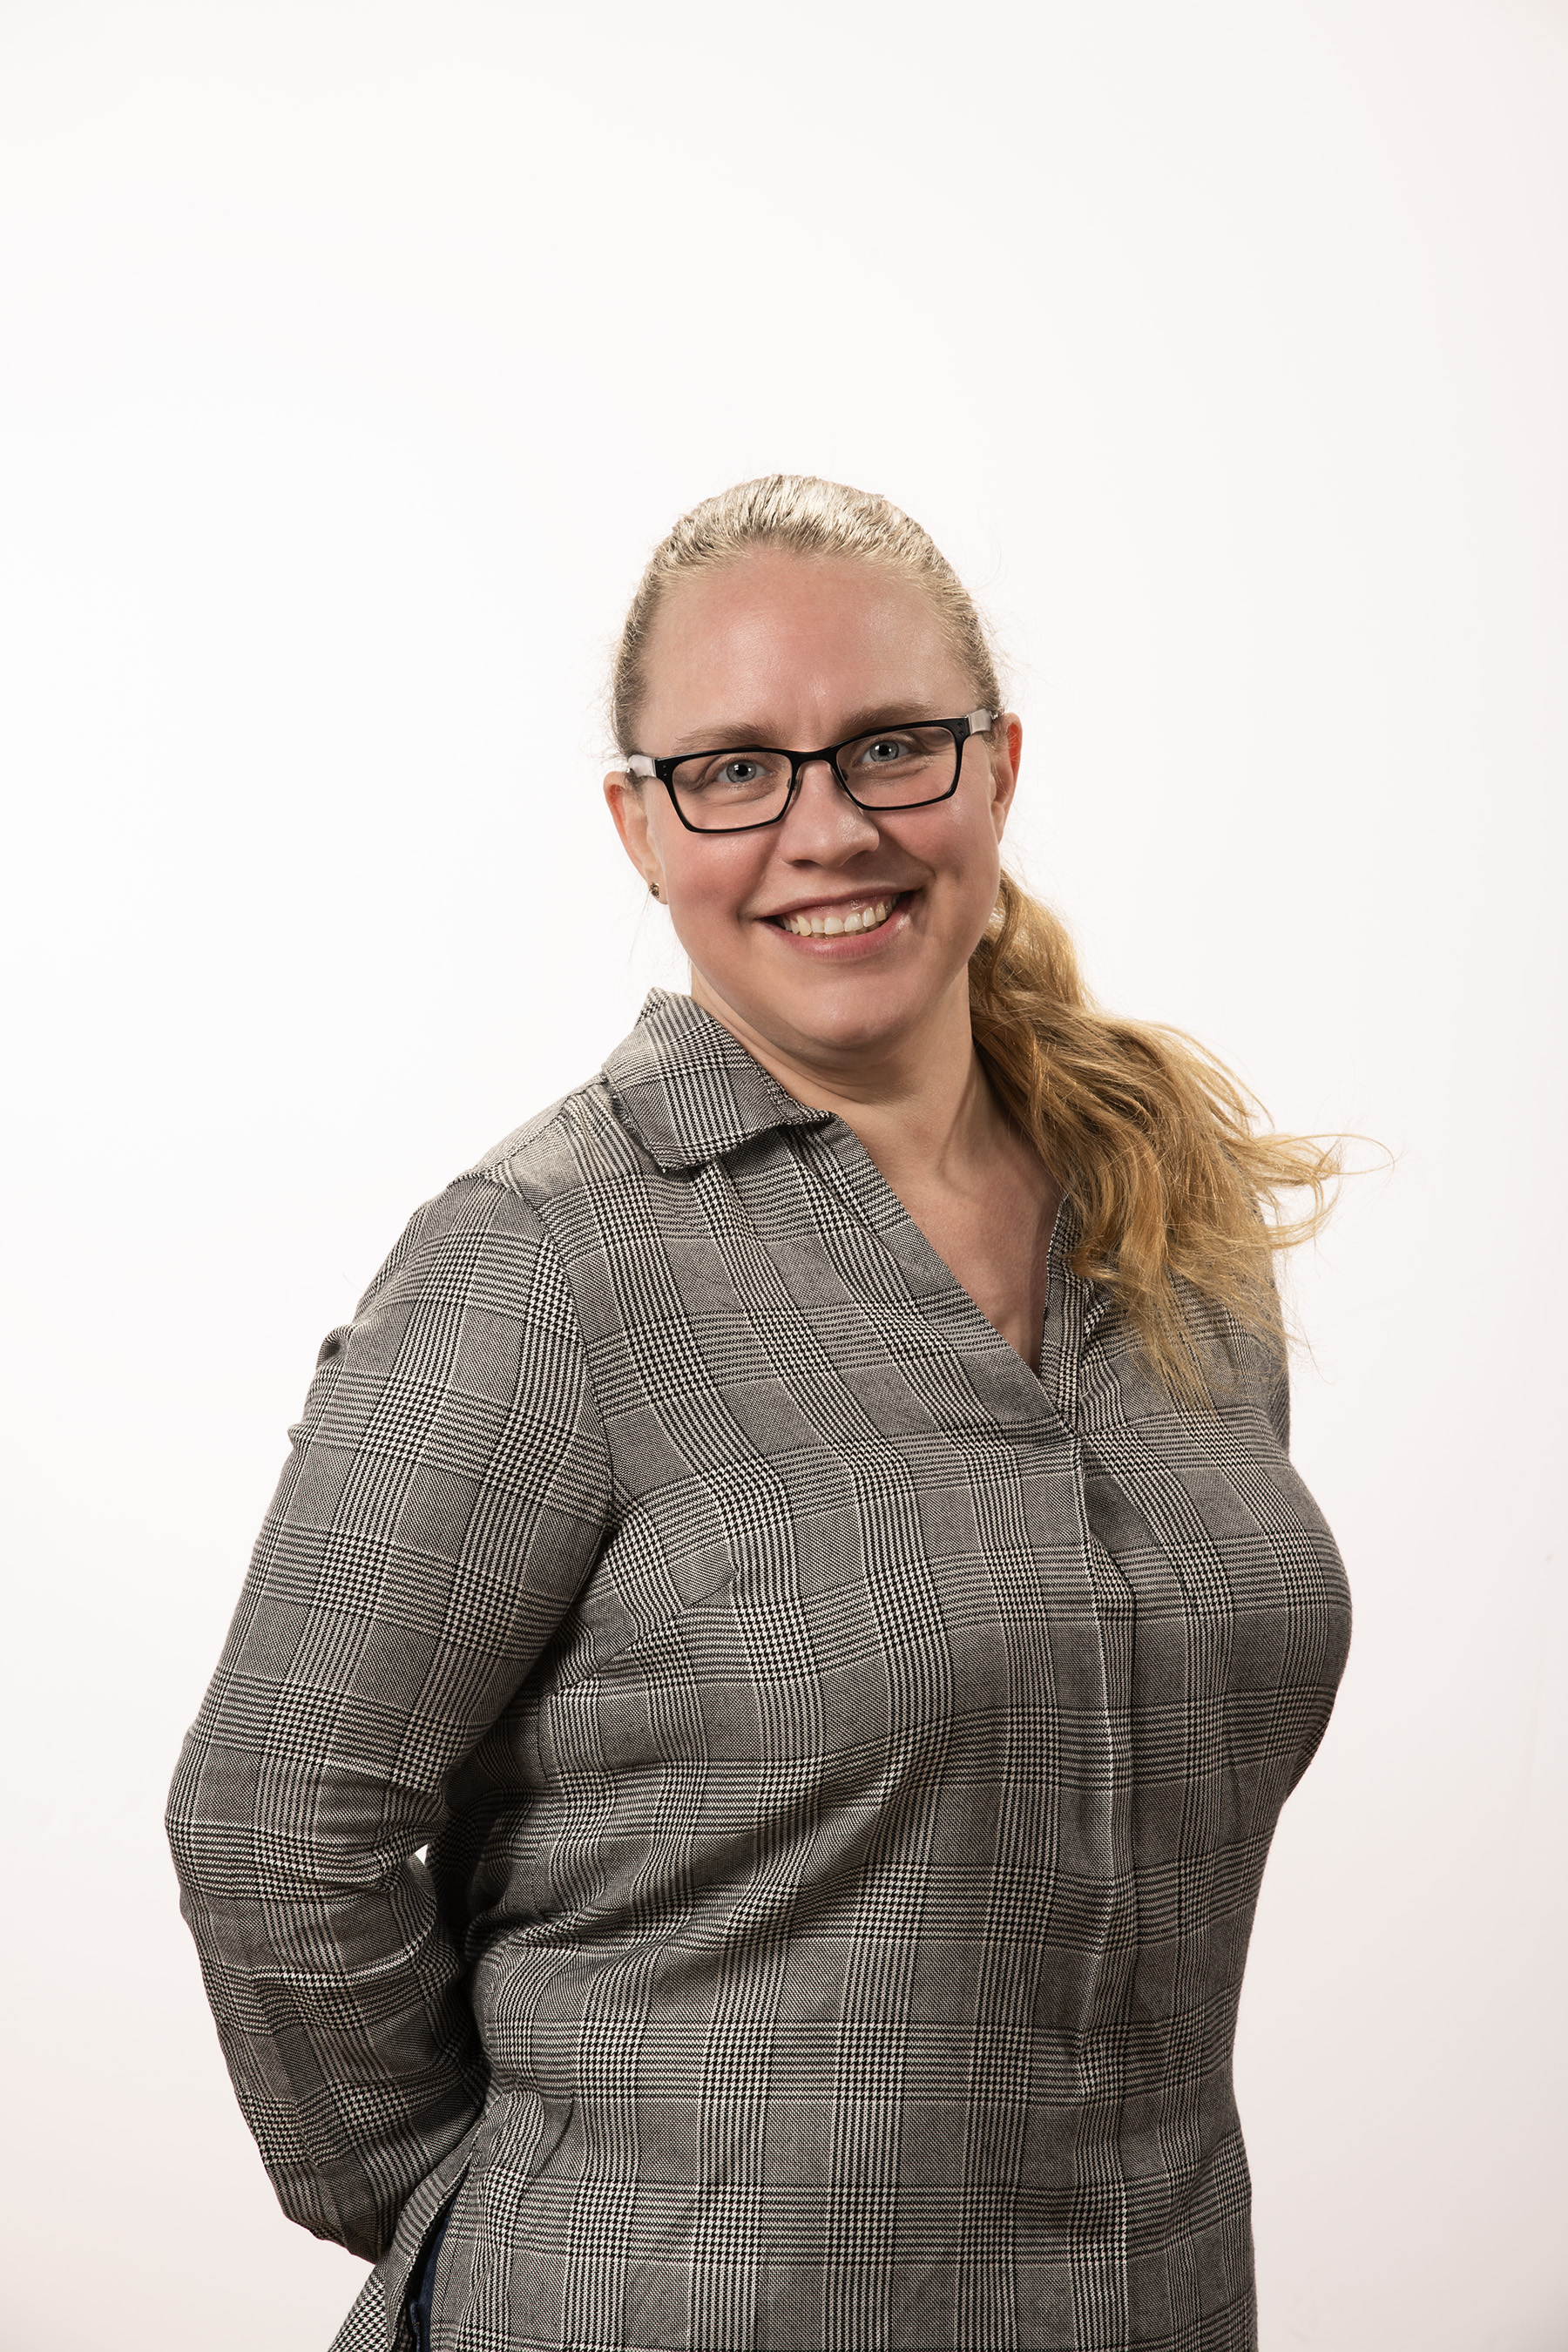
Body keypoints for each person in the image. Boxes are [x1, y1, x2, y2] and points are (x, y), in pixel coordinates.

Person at [167, 475, 1352, 2352]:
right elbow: (270, 1816)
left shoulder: (1170, 1234)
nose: (828, 827)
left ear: (998, 768)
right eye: (733, 768)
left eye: (892, 747)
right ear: (641, 825)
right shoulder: (544, 1260)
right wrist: (510, 2221)